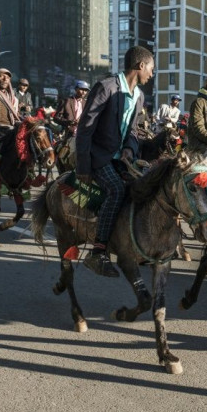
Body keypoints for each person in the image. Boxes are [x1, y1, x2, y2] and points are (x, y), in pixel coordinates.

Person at [76, 46, 153, 277]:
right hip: (98, 157)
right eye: (151, 68)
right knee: (117, 190)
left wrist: (130, 148)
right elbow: (85, 129)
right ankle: (98, 252)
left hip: (121, 158)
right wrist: (83, 167)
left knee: (144, 187)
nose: (151, 74)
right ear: (140, 66)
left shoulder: (139, 96)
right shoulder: (106, 87)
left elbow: (135, 130)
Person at [54, 80, 90, 169]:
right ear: (76, 89)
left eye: (85, 90)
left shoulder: (87, 104)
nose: (83, 92)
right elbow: (56, 118)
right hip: (70, 135)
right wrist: (69, 122)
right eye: (81, 89)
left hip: (83, 135)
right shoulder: (66, 101)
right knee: (64, 157)